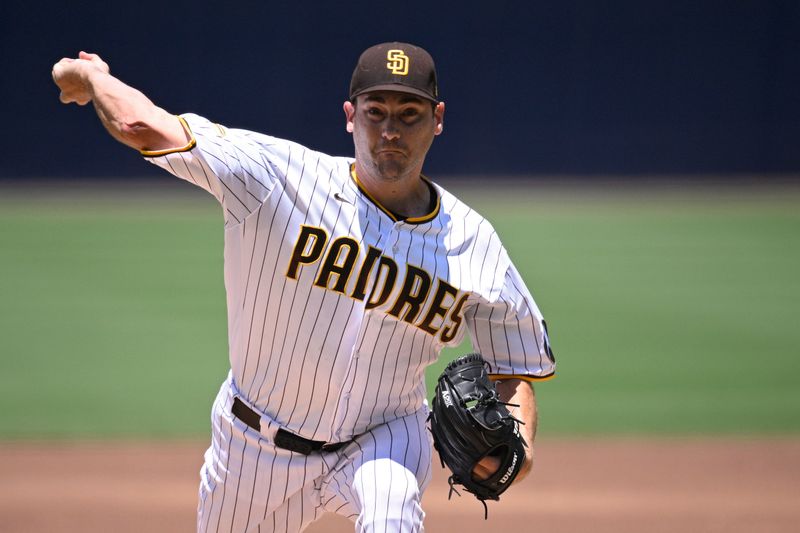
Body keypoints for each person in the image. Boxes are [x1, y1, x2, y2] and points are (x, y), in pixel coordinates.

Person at [51, 42, 556, 532]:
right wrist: (96, 79)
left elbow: (515, 359)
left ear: (437, 119)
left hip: (385, 438)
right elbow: (142, 125)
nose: (390, 130)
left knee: (392, 514)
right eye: (376, 111)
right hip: (254, 445)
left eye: (409, 114)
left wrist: (521, 451)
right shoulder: (277, 177)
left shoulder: (474, 242)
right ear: (350, 116)